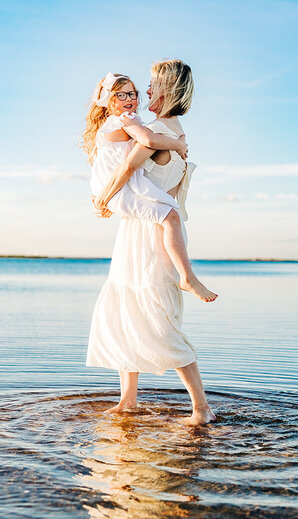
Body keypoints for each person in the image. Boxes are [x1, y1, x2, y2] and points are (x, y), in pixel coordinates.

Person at [87, 60, 217, 425]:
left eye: (150, 85)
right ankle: (128, 399)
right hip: (146, 226)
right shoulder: (176, 131)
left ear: (167, 90)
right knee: (130, 309)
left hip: (151, 231)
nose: (144, 93)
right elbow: (172, 190)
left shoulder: (156, 129)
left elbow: (127, 169)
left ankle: (201, 408)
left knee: (158, 317)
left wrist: (102, 200)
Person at [83, 72, 217, 302]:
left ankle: (187, 275)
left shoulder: (128, 120)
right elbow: (149, 141)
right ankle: (188, 277)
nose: (130, 98)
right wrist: (177, 144)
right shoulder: (126, 120)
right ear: (110, 100)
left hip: (119, 188)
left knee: (170, 214)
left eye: (132, 93)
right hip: (118, 188)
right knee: (170, 216)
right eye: (121, 94)